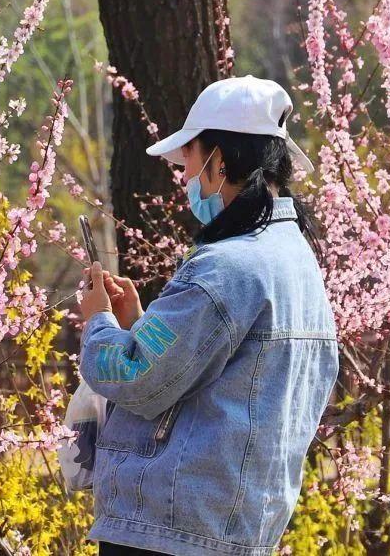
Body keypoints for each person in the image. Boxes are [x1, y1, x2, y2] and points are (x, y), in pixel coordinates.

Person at [76, 75, 339, 556]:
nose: (185, 177)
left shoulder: (225, 267)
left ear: (218, 161)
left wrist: (99, 323)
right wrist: (136, 324)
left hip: (170, 530)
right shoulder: (299, 263)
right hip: (242, 527)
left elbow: (133, 374)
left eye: (189, 161)